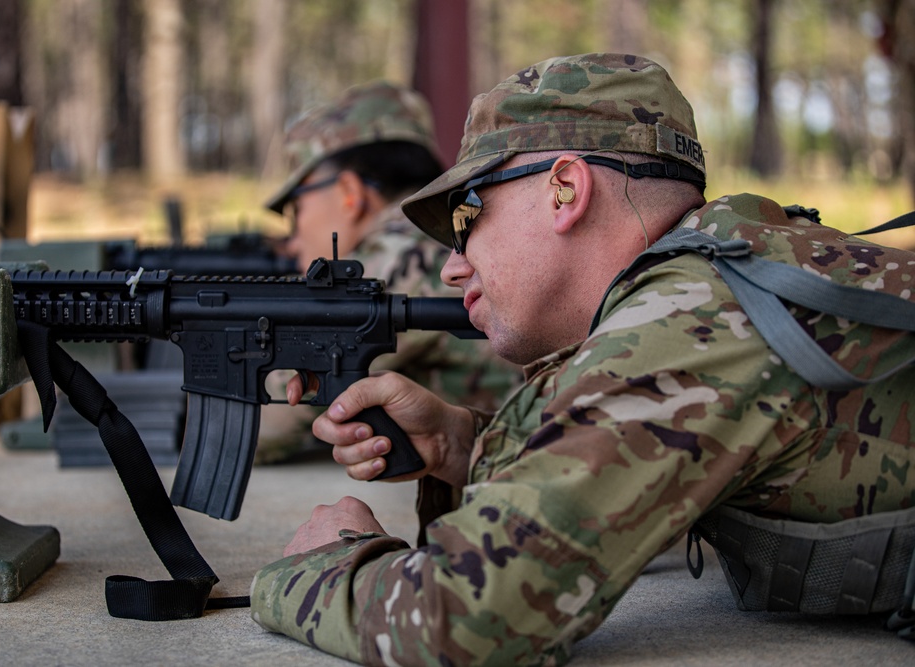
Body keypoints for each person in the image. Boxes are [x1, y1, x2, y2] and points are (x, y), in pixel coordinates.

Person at [249, 54, 915, 665]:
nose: (453, 266)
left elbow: (469, 617)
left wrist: (332, 561)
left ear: (565, 188)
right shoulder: (721, 272)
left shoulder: (690, 315)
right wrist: (467, 444)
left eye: (466, 218)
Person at [253, 80, 521, 464]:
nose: (291, 240)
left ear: (350, 193)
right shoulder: (448, 231)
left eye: (297, 210)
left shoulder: (400, 251)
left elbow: (267, 422)